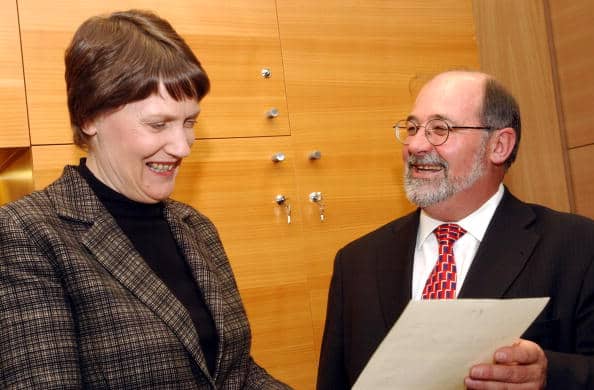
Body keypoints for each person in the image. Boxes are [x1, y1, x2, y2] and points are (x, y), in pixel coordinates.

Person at [0, 10, 290, 389]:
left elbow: (236, 372)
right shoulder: (27, 233)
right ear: (89, 117)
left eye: (189, 123)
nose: (182, 146)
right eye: (158, 124)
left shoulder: (195, 226)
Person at [317, 70, 594, 389]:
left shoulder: (576, 246)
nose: (416, 145)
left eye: (440, 129)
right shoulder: (356, 264)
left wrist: (550, 373)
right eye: (412, 128)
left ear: (499, 145)